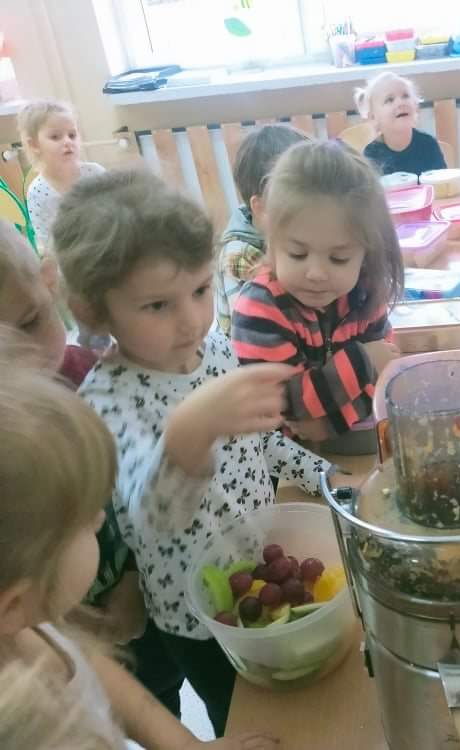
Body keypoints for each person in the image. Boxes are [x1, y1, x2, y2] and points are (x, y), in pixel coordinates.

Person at [53, 167, 332, 738]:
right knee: (249, 722)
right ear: (96, 311)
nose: (191, 321)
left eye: (201, 291)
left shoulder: (218, 348)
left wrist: (326, 478)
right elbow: (152, 516)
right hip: (198, 618)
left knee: (305, 703)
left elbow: (261, 439)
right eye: (157, 305)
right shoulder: (106, 400)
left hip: (262, 561)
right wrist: (189, 434)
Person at [0, 340, 275, 750]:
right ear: (13, 603)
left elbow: (94, 669)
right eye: (86, 521)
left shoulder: (31, 628)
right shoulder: (34, 730)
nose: (101, 519)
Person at [0, 219, 185, 716]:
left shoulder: (98, 377)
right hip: (63, 625)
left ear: (49, 282)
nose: (24, 357)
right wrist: (62, 617)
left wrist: (132, 579)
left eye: (29, 322)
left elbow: (136, 490)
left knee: (162, 687)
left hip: (144, 591)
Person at [231, 140, 403, 442]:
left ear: (366, 254)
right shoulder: (260, 308)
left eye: (339, 258)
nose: (316, 274)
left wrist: (330, 422)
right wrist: (364, 362)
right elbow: (287, 406)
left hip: (348, 441)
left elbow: (387, 370)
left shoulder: (364, 291)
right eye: (297, 254)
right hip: (283, 459)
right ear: (272, 239)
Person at [216, 123, 310, 335]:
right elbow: (256, 329)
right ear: (261, 207)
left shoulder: (275, 229)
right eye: (299, 201)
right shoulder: (239, 255)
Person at [18, 99, 105, 249]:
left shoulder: (95, 173)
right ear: (34, 145)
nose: (67, 142)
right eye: (55, 137)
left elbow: (118, 212)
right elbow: (48, 241)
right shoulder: (38, 192)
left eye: (72, 135)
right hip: (72, 256)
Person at [355, 72, 446, 176]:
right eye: (389, 100)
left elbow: (442, 183)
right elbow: (369, 187)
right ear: (373, 117)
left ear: (415, 105)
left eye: (405, 96)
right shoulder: (371, 154)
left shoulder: (429, 145)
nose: (400, 103)